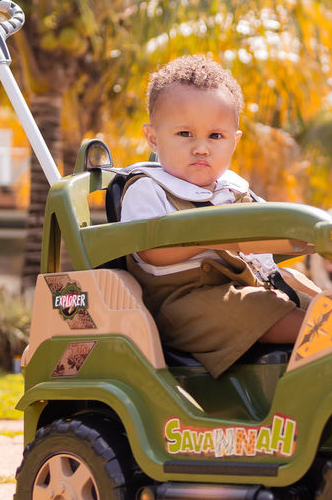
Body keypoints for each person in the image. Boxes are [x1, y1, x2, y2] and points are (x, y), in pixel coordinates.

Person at [118, 55, 318, 377]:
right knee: (277, 313)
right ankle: (323, 338)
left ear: (234, 142)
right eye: (185, 134)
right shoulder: (147, 188)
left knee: (316, 299)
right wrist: (223, 237)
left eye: (215, 136)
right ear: (153, 138)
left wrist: (312, 232)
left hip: (241, 286)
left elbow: (271, 223)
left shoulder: (231, 190)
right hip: (183, 303)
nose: (201, 148)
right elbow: (150, 249)